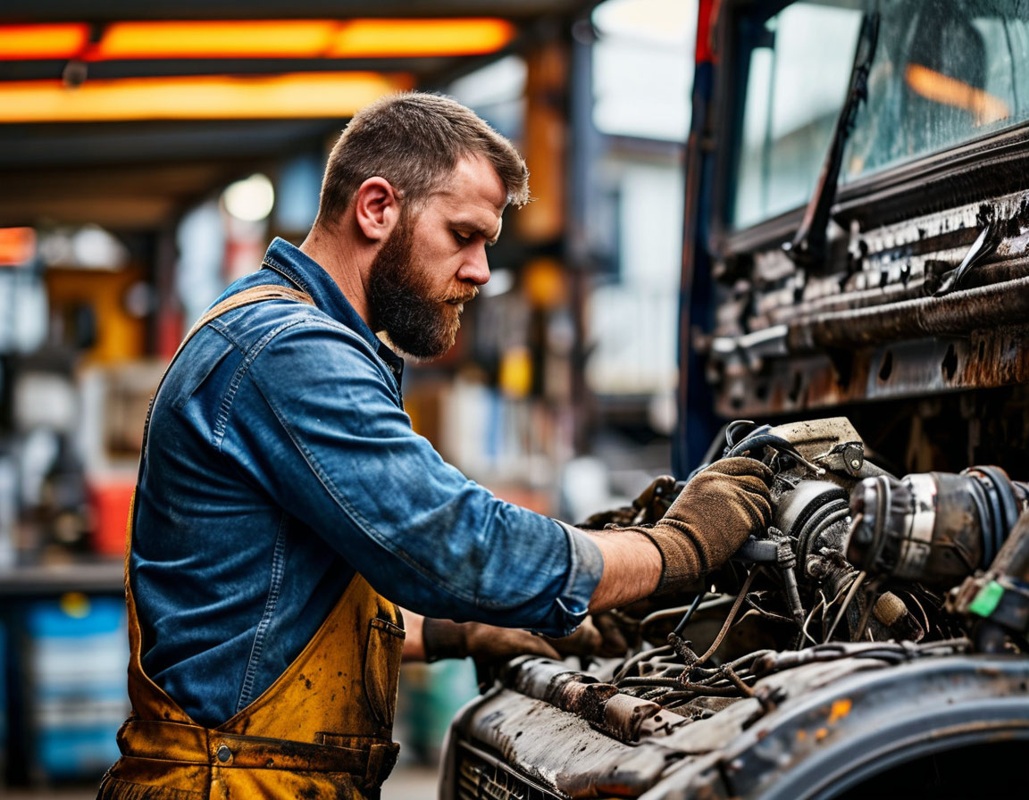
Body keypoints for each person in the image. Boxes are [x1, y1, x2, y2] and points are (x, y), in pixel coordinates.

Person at [96, 91, 773, 799]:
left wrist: (461, 635)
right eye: (463, 235)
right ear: (377, 208)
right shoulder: (291, 353)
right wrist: (675, 549)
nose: (481, 270)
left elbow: (278, 616)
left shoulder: (275, 332)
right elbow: (455, 544)